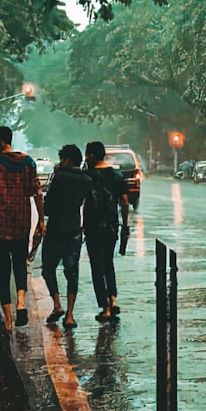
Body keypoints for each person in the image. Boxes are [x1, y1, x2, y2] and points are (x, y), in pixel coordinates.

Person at [0, 125, 43, 330]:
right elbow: (36, 193)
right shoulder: (28, 162)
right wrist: (41, 219)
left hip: (0, 225)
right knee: (20, 265)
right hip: (22, 223)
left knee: (3, 270)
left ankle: (8, 320)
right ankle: (21, 303)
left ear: (1, 141)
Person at [40, 144, 92, 328]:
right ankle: (70, 315)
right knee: (72, 272)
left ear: (68, 160)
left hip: (56, 228)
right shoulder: (86, 180)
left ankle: (57, 304)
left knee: (48, 268)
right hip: (74, 229)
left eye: (62, 159)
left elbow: (49, 205)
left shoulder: (59, 177)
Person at [83, 141, 130, 323]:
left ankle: (105, 308)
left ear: (92, 156)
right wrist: (124, 226)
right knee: (108, 262)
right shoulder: (117, 176)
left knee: (96, 265)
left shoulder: (87, 176)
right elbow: (125, 202)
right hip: (112, 226)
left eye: (87, 155)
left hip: (93, 227)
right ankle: (113, 299)